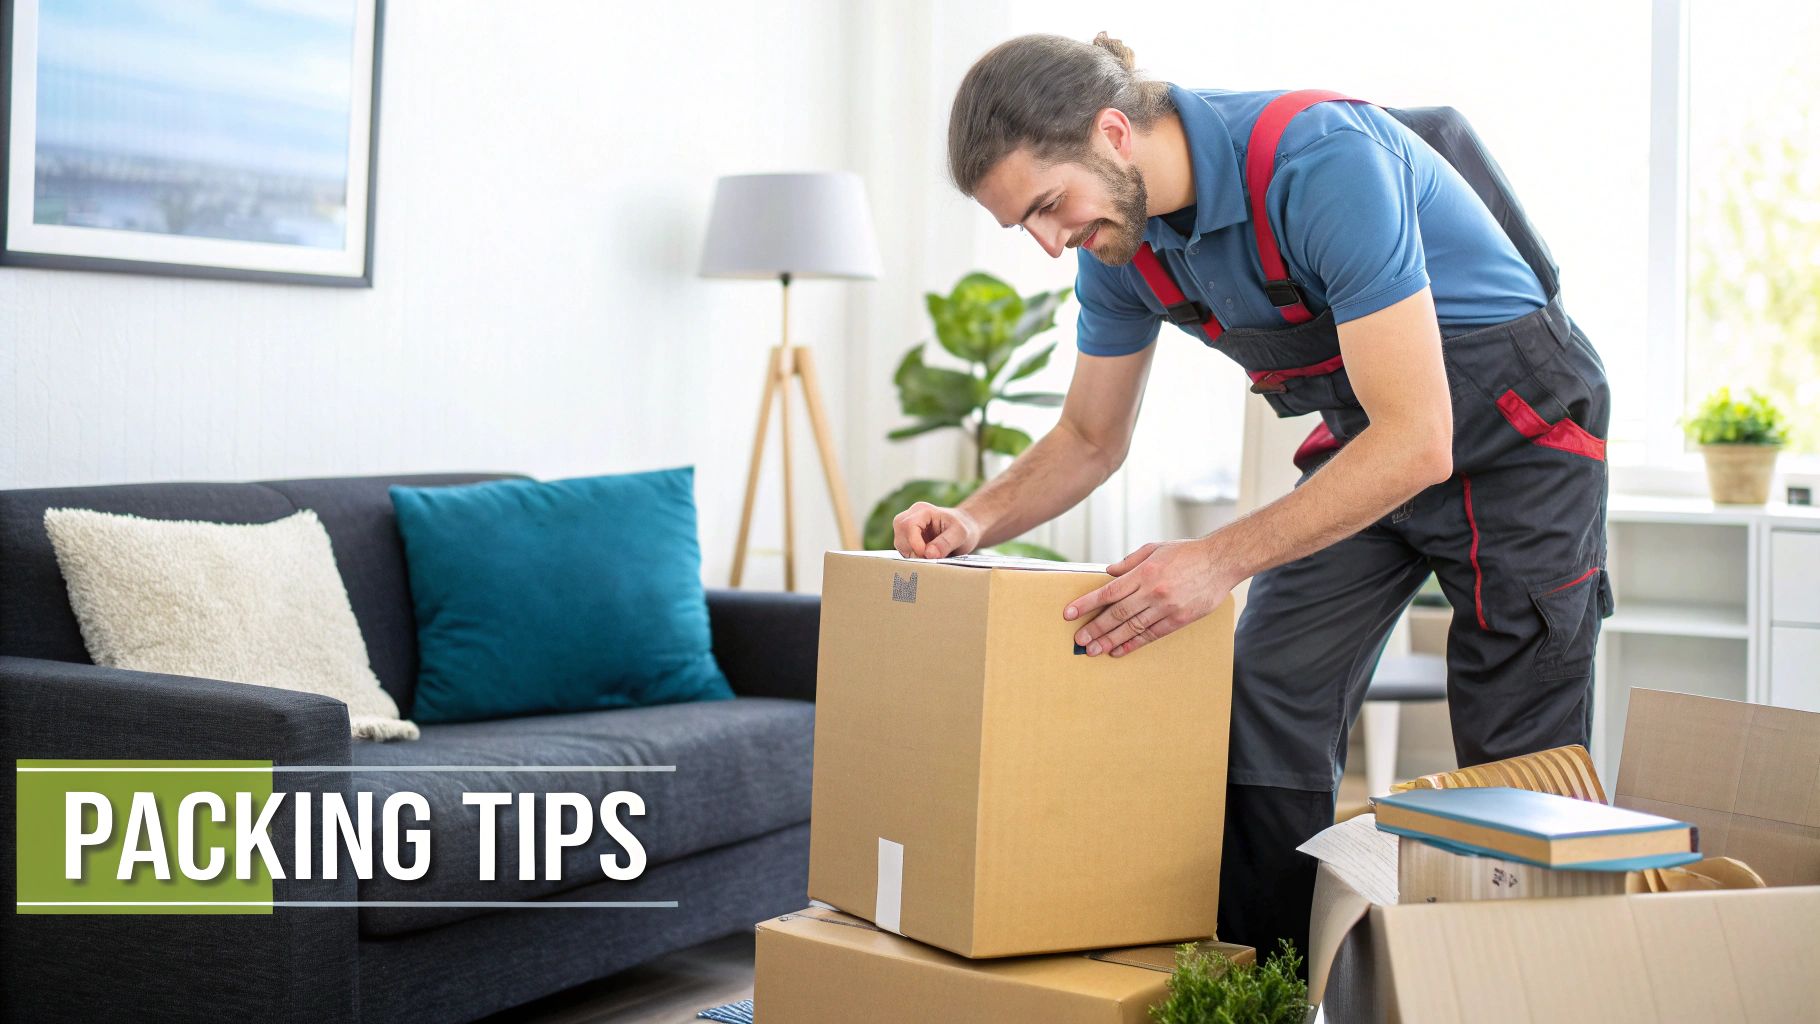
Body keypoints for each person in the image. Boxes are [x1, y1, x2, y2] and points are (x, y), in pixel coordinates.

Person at [893, 32, 1613, 964]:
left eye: (1046, 207)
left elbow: (1421, 439)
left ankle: (1525, 988)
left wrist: (1213, 562)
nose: (1047, 242)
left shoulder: (1319, 162)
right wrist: (975, 518)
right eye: (1022, 225)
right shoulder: (1120, 245)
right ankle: (1269, 982)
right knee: (1269, 687)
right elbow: (1088, 438)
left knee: (1518, 754)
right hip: (1375, 436)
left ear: (1113, 132)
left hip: (1517, 433)